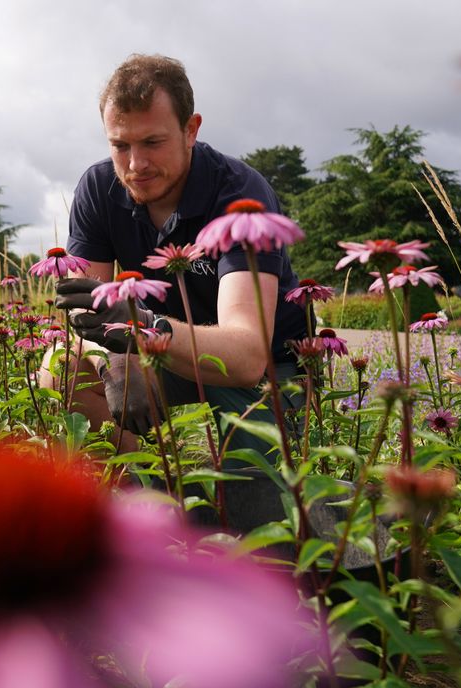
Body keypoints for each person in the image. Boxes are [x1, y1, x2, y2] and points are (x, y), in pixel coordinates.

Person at [40, 53, 308, 469]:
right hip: (160, 354)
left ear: (190, 130)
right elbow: (84, 315)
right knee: (61, 370)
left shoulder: (238, 198)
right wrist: (121, 359)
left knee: (254, 495)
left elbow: (248, 355)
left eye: (152, 142)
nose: (135, 165)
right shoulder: (98, 189)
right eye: (120, 145)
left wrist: (145, 332)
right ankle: (146, 492)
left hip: (266, 372)